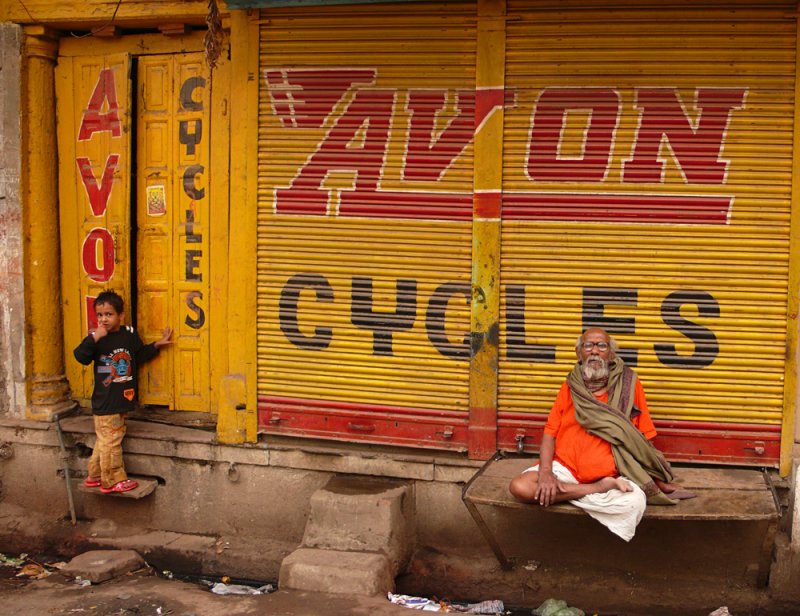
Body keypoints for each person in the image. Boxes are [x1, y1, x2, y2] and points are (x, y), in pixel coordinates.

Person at [508, 327, 694, 541]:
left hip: (615, 475)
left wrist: (654, 478)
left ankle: (568, 495)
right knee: (520, 487)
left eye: (601, 345)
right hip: (566, 470)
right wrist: (546, 473)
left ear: (611, 354)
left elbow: (642, 440)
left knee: (634, 502)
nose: (594, 351)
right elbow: (550, 433)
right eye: (588, 345)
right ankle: (593, 490)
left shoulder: (629, 385)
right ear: (579, 353)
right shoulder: (570, 386)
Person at [73, 291, 173, 494]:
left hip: (121, 398)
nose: (103, 319)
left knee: (106, 441)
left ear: (121, 315)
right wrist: (93, 338)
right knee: (112, 441)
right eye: (100, 315)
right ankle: (113, 480)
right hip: (106, 401)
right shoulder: (97, 338)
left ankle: (94, 476)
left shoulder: (128, 334)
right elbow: (80, 356)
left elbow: (137, 356)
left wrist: (156, 346)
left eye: (108, 314)